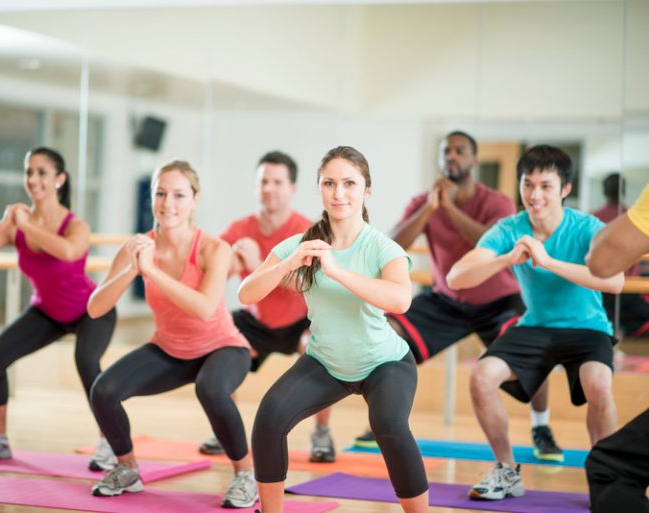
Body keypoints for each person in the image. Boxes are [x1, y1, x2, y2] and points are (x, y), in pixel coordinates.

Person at [354, 130, 561, 462]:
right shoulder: (425, 200)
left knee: (532, 350)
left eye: (459, 151)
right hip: (447, 301)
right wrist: (429, 210)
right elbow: (391, 246)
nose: (451, 156)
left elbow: (489, 242)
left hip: (499, 301)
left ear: (474, 160)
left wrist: (448, 208)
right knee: (388, 335)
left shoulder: (497, 202)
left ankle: (542, 427)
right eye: (446, 151)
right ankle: (386, 420)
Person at [242, 146, 429, 513]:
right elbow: (246, 291)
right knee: (269, 418)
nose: (339, 193)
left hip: (385, 363)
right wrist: (288, 264)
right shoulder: (303, 243)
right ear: (319, 188)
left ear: (366, 190)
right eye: (329, 183)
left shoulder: (381, 248)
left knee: (388, 424)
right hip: (326, 363)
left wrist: (338, 271)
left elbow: (400, 300)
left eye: (349, 183)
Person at [447, 145, 624, 500]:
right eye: (528, 185)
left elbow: (614, 281)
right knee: (482, 377)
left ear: (565, 190)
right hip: (535, 326)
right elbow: (456, 277)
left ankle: (607, 480)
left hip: (587, 328)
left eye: (545, 186)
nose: (535, 195)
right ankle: (507, 471)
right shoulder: (509, 228)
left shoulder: (587, 227)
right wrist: (506, 259)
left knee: (599, 386)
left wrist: (548, 261)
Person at [86, 160, 257, 508]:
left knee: (210, 388)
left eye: (179, 195)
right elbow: (95, 308)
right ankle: (127, 468)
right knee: (103, 389)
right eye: (161, 194)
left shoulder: (214, 248)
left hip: (223, 348)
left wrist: (151, 271)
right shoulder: (137, 247)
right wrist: (131, 270)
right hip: (169, 349)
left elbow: (206, 308)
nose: (168, 203)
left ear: (195, 200)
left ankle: (245, 476)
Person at [0, 147, 117, 470]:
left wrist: (25, 225)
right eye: (29, 172)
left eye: (42, 172)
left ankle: (110, 443)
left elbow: (70, 251)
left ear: (59, 179)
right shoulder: (16, 226)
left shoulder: (76, 225)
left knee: (86, 361)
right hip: (47, 312)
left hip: (90, 308)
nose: (33, 179)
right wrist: (5, 225)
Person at [198, 151, 335, 463]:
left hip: (301, 320)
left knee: (319, 350)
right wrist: (229, 261)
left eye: (277, 182)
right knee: (223, 346)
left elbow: (304, 282)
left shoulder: (307, 230)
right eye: (263, 182)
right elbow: (216, 271)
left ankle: (322, 433)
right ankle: (225, 430)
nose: (269, 188)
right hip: (257, 322)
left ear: (292, 188)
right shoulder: (240, 228)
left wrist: (258, 263)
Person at [585, 184, 649, 513]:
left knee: (608, 466)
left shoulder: (603, 215)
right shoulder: (599, 214)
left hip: (616, 283)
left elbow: (602, 259)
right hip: (609, 292)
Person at [591, 173, 649, 338]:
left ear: (604, 191)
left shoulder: (592, 216)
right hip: (625, 292)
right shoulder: (634, 216)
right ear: (624, 191)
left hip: (604, 290)